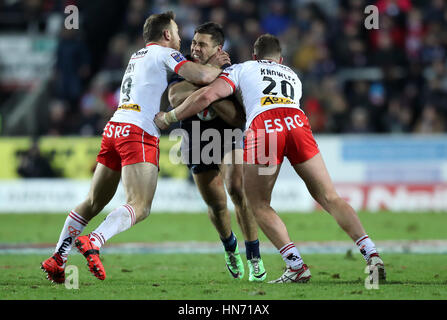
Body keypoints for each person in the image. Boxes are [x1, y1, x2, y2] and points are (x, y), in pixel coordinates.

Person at [155, 34, 386, 284]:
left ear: (255, 56)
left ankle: (296, 266)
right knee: (330, 197)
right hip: (297, 121)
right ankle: (371, 254)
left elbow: (206, 96)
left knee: (259, 204)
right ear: (281, 59)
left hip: (265, 126)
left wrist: (169, 118)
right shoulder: (292, 76)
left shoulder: (242, 68)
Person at [40, 11, 230, 284]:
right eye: (176, 32)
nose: (180, 38)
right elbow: (200, 75)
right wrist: (218, 66)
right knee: (139, 205)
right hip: (138, 131)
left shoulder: (137, 55)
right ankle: (95, 240)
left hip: (114, 127)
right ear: (166, 34)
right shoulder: (165, 53)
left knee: (93, 201)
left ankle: (58, 257)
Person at [168, 22, 266, 281]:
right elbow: (175, 98)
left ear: (218, 48)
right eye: (193, 43)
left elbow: (236, 118)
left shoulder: (234, 71)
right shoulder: (184, 66)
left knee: (237, 189)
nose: (195, 48)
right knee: (216, 203)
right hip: (195, 137)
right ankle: (230, 247)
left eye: (201, 44)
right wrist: (211, 78)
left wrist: (202, 91)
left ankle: (254, 255)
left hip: (227, 136)